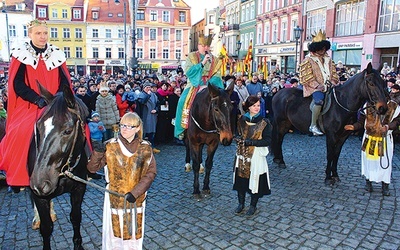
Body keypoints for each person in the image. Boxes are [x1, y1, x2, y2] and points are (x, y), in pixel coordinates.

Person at [0, 19, 71, 189]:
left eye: (45, 33)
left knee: (78, 125)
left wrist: (58, 98)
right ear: (30, 34)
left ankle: (86, 165)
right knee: (21, 131)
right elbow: (18, 84)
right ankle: (19, 174)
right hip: (31, 105)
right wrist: (37, 99)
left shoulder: (57, 54)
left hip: (55, 102)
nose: (42, 36)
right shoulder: (21, 54)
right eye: (38, 33)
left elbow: (64, 80)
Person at [87, 112, 157, 249]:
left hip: (135, 199)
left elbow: (151, 173)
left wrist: (135, 192)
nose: (124, 129)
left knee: (133, 233)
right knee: (114, 234)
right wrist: (98, 153)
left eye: (129, 126)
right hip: (114, 197)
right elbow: (91, 169)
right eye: (123, 125)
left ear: (137, 128)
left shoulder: (146, 147)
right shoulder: (110, 146)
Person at [344, 100, 400, 196]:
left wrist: (387, 127)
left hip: (384, 139)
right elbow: (361, 122)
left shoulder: (393, 106)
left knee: (384, 162)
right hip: (369, 138)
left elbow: (396, 122)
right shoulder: (368, 105)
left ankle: (385, 185)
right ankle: (368, 182)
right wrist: (353, 127)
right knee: (368, 161)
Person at [174, 34, 224, 140]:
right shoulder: (191, 57)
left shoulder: (215, 60)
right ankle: (182, 128)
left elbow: (217, 75)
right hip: (193, 84)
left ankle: (222, 128)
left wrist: (208, 85)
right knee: (182, 101)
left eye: (207, 46)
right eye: (203, 45)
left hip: (210, 85)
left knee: (223, 103)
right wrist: (202, 63)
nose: (205, 48)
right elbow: (189, 72)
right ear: (198, 45)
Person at [233, 95, 272, 216]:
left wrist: (253, 142)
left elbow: (268, 140)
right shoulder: (241, 120)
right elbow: (237, 133)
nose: (257, 108)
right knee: (240, 180)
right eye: (254, 105)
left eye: (258, 105)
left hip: (256, 155)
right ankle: (241, 203)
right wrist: (238, 138)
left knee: (255, 181)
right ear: (249, 107)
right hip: (242, 154)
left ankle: (253, 205)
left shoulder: (264, 122)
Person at [299, 30, 339, 136]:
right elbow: (306, 77)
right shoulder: (307, 60)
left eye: (324, 48)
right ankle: (313, 125)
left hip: (329, 86)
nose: (323, 50)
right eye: (321, 48)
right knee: (319, 100)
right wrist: (317, 85)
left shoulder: (329, 60)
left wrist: (334, 81)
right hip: (314, 88)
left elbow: (334, 73)